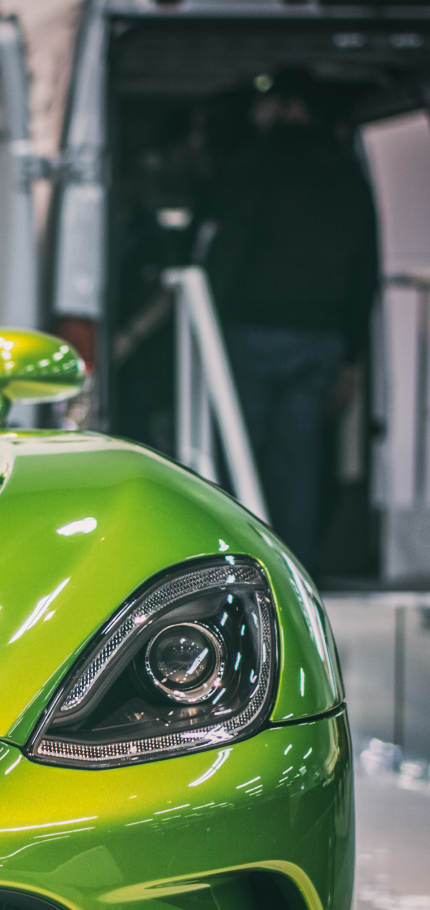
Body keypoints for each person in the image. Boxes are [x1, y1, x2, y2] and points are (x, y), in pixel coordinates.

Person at [204, 69, 379, 569]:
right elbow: (366, 267)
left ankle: (235, 565)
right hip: (321, 339)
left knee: (239, 450)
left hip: (254, 332)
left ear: (292, 106)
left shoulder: (255, 162)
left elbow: (228, 250)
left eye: (267, 104)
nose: (257, 116)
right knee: (298, 459)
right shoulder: (347, 169)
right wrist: (350, 354)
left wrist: (210, 317)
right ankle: (293, 566)